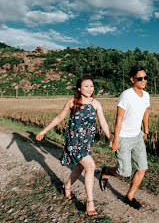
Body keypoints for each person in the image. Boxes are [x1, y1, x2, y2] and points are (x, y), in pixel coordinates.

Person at [35, 76, 112, 216]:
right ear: (79, 88)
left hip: (87, 142)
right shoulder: (72, 103)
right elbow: (59, 118)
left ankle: (67, 186)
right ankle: (90, 202)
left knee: (79, 168)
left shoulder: (96, 104)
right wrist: (44, 131)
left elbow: (103, 123)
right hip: (74, 142)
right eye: (86, 86)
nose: (89, 89)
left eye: (91, 86)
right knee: (91, 166)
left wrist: (110, 137)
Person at [100, 65, 150, 210]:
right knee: (124, 172)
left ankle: (130, 196)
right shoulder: (126, 95)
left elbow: (145, 113)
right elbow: (119, 119)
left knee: (142, 168)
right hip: (123, 138)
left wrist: (146, 130)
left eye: (145, 78)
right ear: (132, 80)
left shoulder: (146, 95)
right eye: (139, 78)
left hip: (138, 136)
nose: (143, 80)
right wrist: (115, 140)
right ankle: (106, 171)